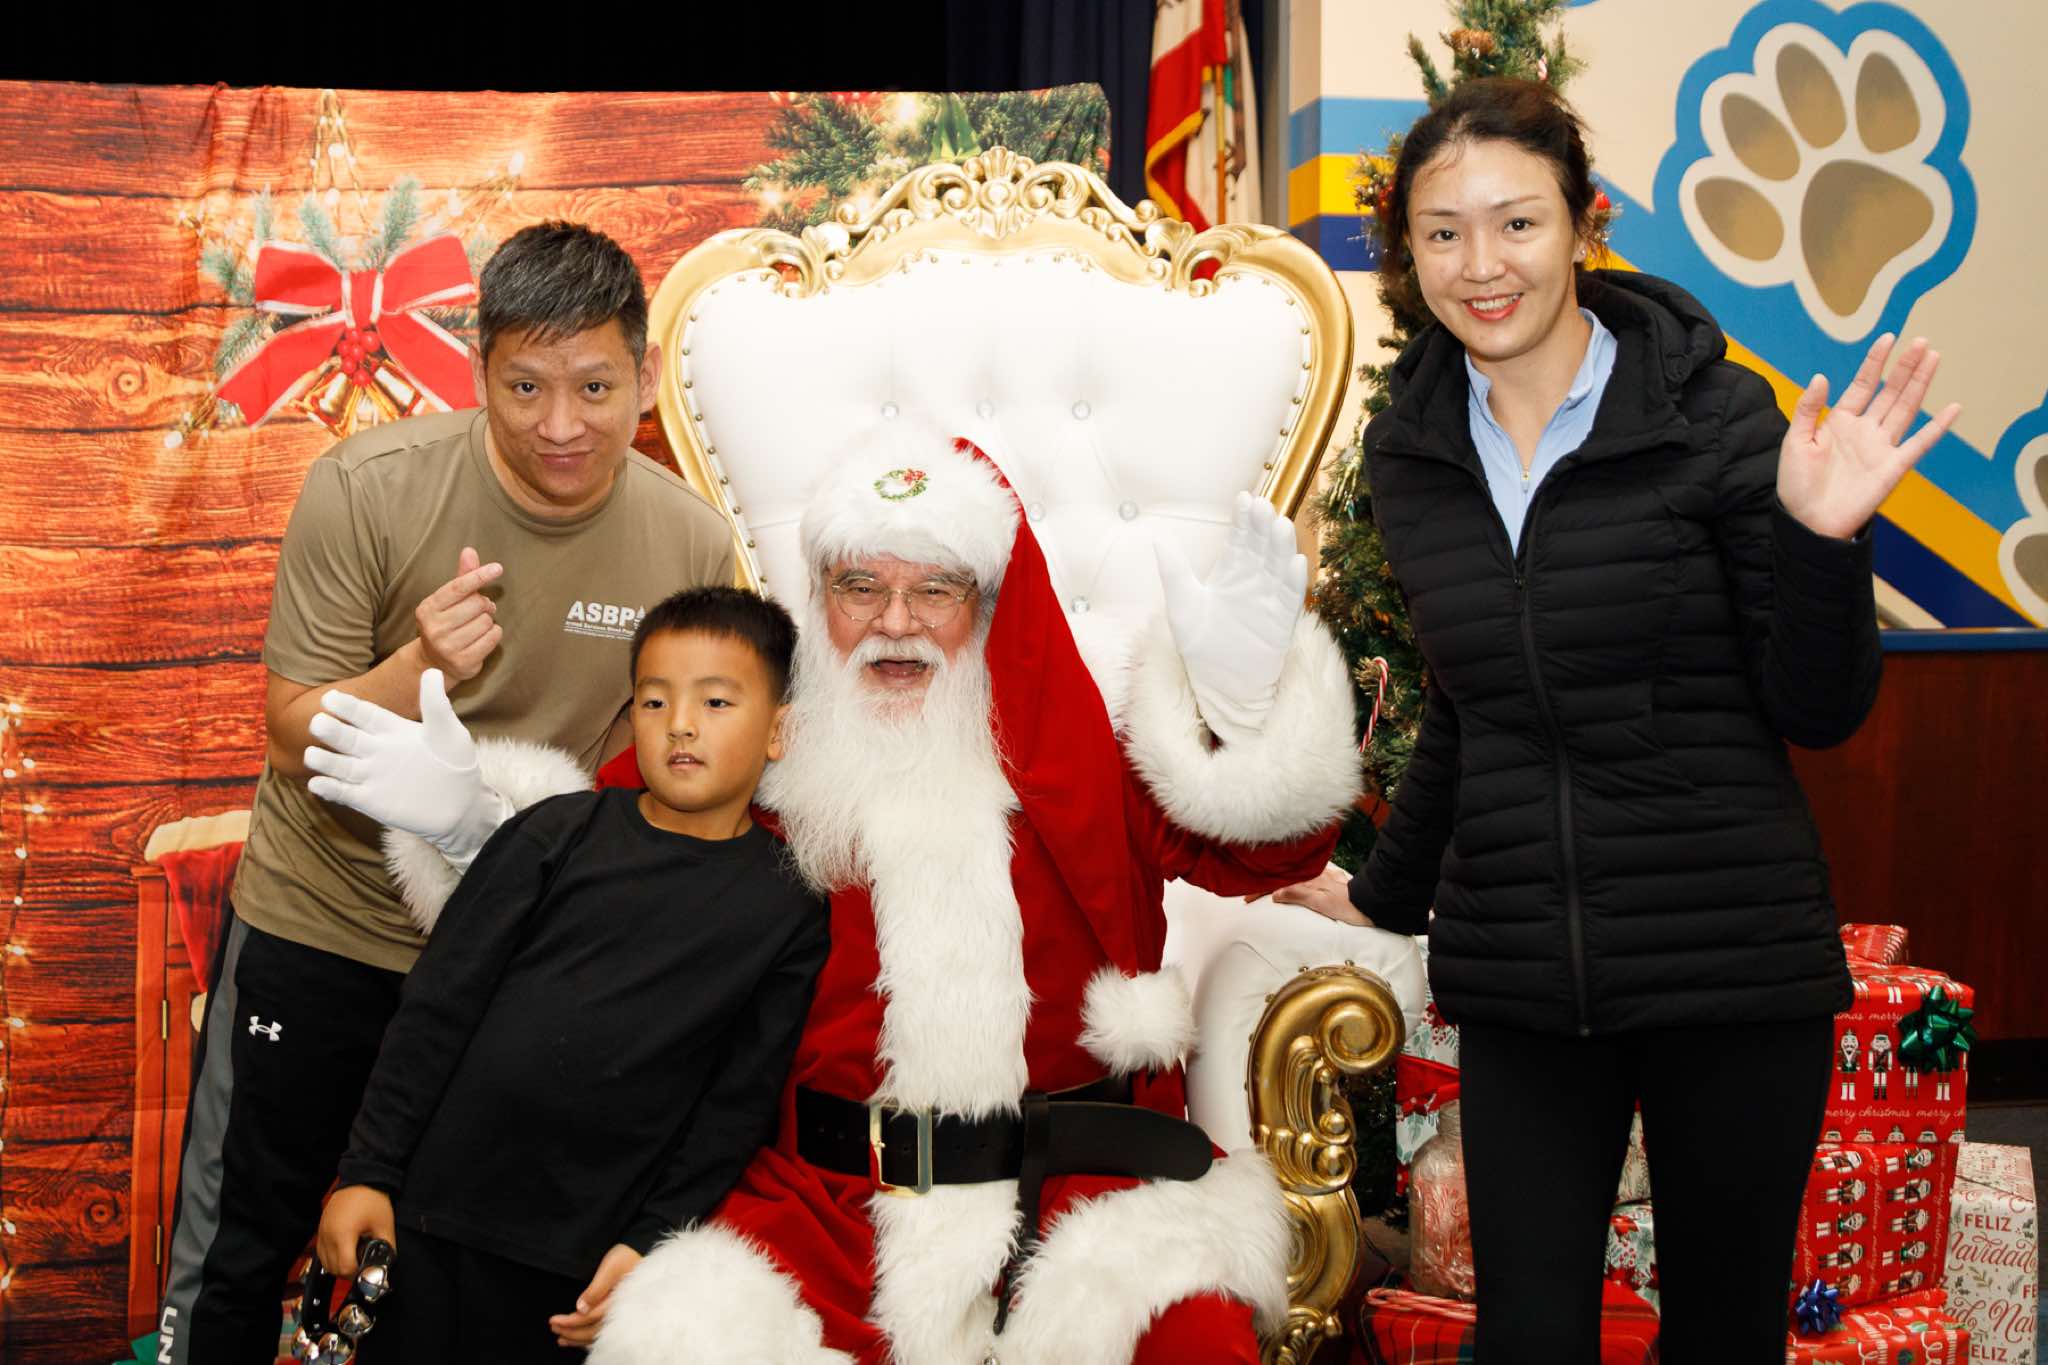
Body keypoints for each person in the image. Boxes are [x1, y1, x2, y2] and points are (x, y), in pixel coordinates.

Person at [311, 435, 1365, 1364]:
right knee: (677, 1340)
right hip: (820, 1207)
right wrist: (469, 830)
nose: (895, 624)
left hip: (1082, 1199)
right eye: (860, 586)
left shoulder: (1078, 753)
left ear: (988, 601)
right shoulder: (753, 757)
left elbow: (1263, 849)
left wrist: (1240, 708)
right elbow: (591, 881)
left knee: (1189, 1343)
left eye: (935, 589)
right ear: (817, 600)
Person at [1270, 78, 1958, 1362]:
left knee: (1719, 1338)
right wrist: (1382, 892)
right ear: (1405, 254)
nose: (1481, 265)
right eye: (1441, 232)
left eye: (1516, 222)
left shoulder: (1714, 416)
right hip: (1525, 976)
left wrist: (1820, 540)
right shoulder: (1410, 453)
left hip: (1728, 961)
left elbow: (1817, 711)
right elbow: (1468, 702)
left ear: (1584, 225)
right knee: (1526, 1339)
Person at [160, 221, 738, 1364]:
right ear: (480, 371)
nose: (560, 424)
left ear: (644, 377)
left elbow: (640, 771)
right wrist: (417, 666)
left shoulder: (686, 542)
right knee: (243, 1247)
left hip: (502, 964)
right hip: (322, 930)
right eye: (525, 387)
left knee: (445, 1277)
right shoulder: (367, 489)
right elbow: (290, 732)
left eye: (593, 387)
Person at [312, 587, 828, 1363]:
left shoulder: (787, 905)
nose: (681, 723)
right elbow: (436, 1005)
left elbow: (735, 1104)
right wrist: (367, 1170)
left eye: (716, 701)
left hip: (575, 1269)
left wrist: (647, 1241)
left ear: (780, 730)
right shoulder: (556, 832)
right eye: (654, 700)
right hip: (430, 1219)